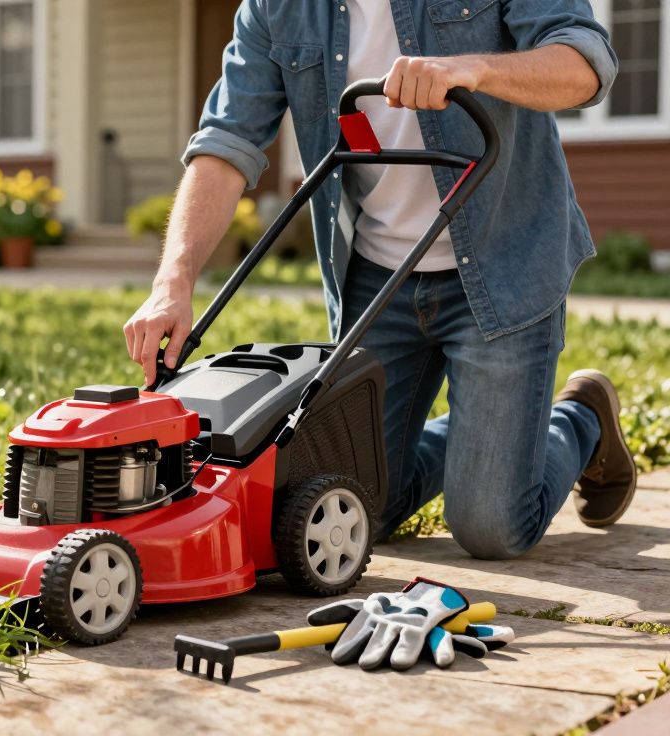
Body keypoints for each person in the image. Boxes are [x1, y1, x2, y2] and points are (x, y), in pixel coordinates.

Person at [124, 0, 635, 560]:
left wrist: (475, 69)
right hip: (377, 282)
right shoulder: (277, 8)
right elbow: (226, 141)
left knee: (491, 527)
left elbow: (586, 64)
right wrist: (172, 283)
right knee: (351, 511)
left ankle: (580, 416)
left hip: (504, 265)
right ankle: (481, 443)